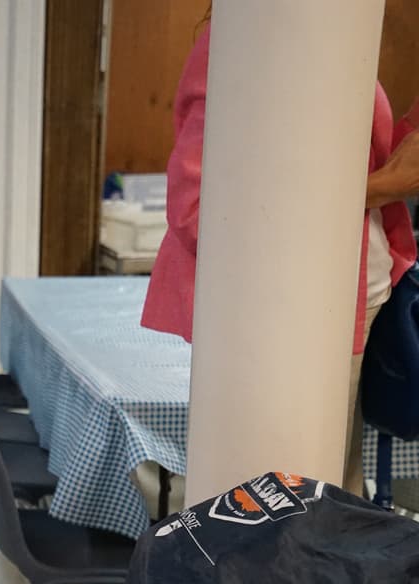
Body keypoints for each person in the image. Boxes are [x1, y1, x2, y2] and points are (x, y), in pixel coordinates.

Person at [141, 18, 419, 496]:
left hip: (354, 305)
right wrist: (378, 188)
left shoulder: (333, 37)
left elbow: (344, 161)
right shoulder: (243, 43)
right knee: (294, 504)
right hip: (290, 318)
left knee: (329, 495)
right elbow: (201, 211)